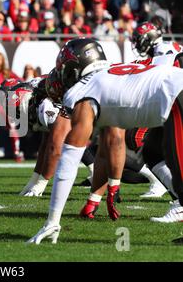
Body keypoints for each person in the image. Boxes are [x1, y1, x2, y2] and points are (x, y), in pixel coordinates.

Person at [27, 38, 183, 244]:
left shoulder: (83, 92)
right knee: (153, 151)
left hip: (177, 96)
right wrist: (100, 194)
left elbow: (69, 160)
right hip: (173, 94)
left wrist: (52, 221)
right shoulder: (108, 75)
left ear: (75, 66)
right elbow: (107, 147)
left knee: (179, 169)